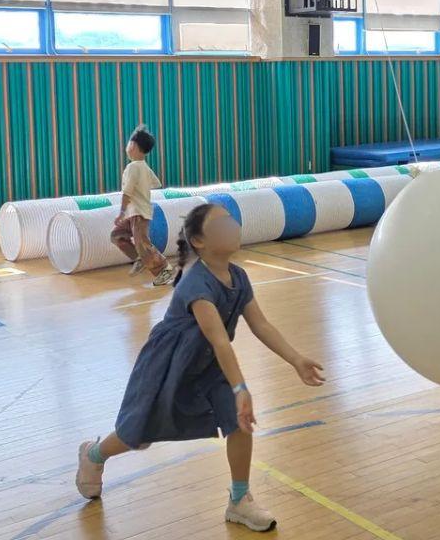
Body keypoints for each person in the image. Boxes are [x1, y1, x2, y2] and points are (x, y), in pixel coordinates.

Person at [75, 203, 326, 531]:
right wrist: (241, 388)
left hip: (209, 365)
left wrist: (296, 359)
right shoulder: (195, 281)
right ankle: (94, 455)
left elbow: (260, 324)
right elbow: (219, 339)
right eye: (221, 224)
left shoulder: (239, 277)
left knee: (239, 423)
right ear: (199, 241)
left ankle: (239, 499)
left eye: (231, 221)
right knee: (137, 434)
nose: (231, 226)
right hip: (170, 364)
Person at [111, 124, 172, 285]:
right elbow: (156, 183)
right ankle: (139, 259)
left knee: (143, 244)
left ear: (135, 147)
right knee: (117, 236)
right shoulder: (145, 167)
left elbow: (127, 192)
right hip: (138, 212)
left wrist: (121, 213)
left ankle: (164, 268)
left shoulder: (132, 167)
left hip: (137, 213)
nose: (128, 146)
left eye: (130, 143)